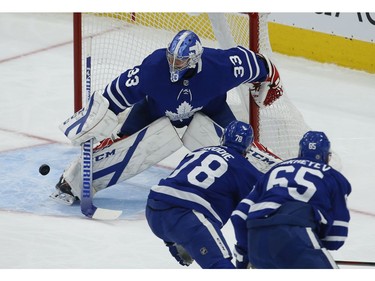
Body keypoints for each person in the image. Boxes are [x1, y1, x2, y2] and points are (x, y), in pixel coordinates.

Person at [52, 29, 283, 205]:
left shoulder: (220, 67)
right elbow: (113, 95)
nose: (173, 63)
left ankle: (278, 187)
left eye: (180, 60)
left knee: (242, 150)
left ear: (194, 59)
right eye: (171, 57)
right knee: (121, 148)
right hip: (153, 111)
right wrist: (92, 121)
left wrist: (271, 80)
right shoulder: (153, 68)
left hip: (210, 111)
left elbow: (258, 64)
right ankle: (72, 182)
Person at [145, 120, 264, 268]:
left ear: (223, 138)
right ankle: (185, 239)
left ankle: (174, 241)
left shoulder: (199, 151)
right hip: (186, 217)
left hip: (154, 209)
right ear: (248, 147)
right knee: (220, 265)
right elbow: (261, 203)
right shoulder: (244, 168)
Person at [231, 131, 352, 269]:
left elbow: (239, 216)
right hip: (297, 236)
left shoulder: (273, 170)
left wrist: (244, 256)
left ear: (300, 152)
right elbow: (336, 239)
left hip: (257, 241)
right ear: (327, 156)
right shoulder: (334, 177)